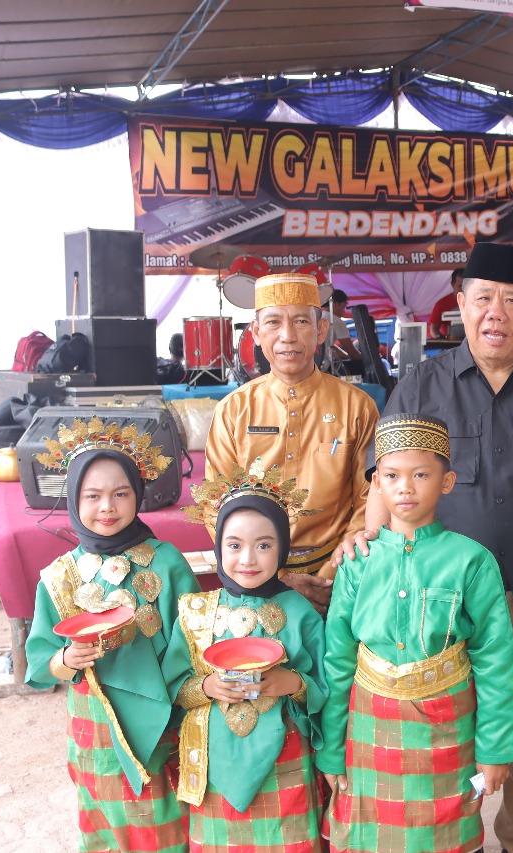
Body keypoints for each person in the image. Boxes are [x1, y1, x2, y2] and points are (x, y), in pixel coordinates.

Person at [333, 242, 513, 853]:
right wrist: (367, 533)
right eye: (483, 298)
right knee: (449, 719)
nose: (496, 313)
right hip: (443, 598)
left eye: (512, 301)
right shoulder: (423, 384)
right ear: (460, 305)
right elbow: (387, 473)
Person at [319, 414, 513, 853]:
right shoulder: (356, 562)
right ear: (376, 484)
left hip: (448, 730)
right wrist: (332, 750)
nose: (405, 487)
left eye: (421, 475)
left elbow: (496, 660)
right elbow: (336, 660)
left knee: (446, 834)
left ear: (447, 482)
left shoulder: (472, 561)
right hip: (369, 728)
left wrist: (495, 749)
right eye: (391, 475)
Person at [24, 418, 199, 852]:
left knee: (163, 817)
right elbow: (40, 663)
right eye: (93, 495)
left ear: (138, 494)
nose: (108, 507)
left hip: (163, 721)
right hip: (94, 722)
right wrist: (66, 661)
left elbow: (195, 638)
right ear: (73, 499)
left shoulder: (166, 562)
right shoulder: (59, 577)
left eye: (120, 494)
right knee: (104, 819)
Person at [166, 460, 328, 850]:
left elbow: (329, 685)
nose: (248, 559)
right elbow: (173, 686)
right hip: (213, 756)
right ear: (218, 546)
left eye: (264, 545)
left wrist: (294, 683)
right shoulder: (194, 611)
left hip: (285, 757)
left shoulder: (300, 611)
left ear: (283, 547)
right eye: (234, 545)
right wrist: (207, 686)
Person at [205, 271, 379, 614]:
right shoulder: (234, 410)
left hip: (341, 576)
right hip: (255, 575)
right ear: (255, 333)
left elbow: (369, 500)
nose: (287, 336)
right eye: (273, 323)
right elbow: (217, 505)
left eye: (301, 321)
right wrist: (278, 576)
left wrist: (331, 575)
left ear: (321, 330)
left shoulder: (357, 406)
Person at [324, 289, 361, 364]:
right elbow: (352, 352)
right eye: (343, 307)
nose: (344, 311)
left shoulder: (318, 316)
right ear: (335, 304)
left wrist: (347, 356)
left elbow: (331, 347)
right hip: (324, 368)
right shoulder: (336, 321)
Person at [429, 269, 465, 338]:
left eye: (465, 286)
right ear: (452, 284)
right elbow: (433, 329)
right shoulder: (441, 304)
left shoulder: (476, 301)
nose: (463, 289)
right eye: (460, 286)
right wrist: (443, 340)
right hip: (451, 345)